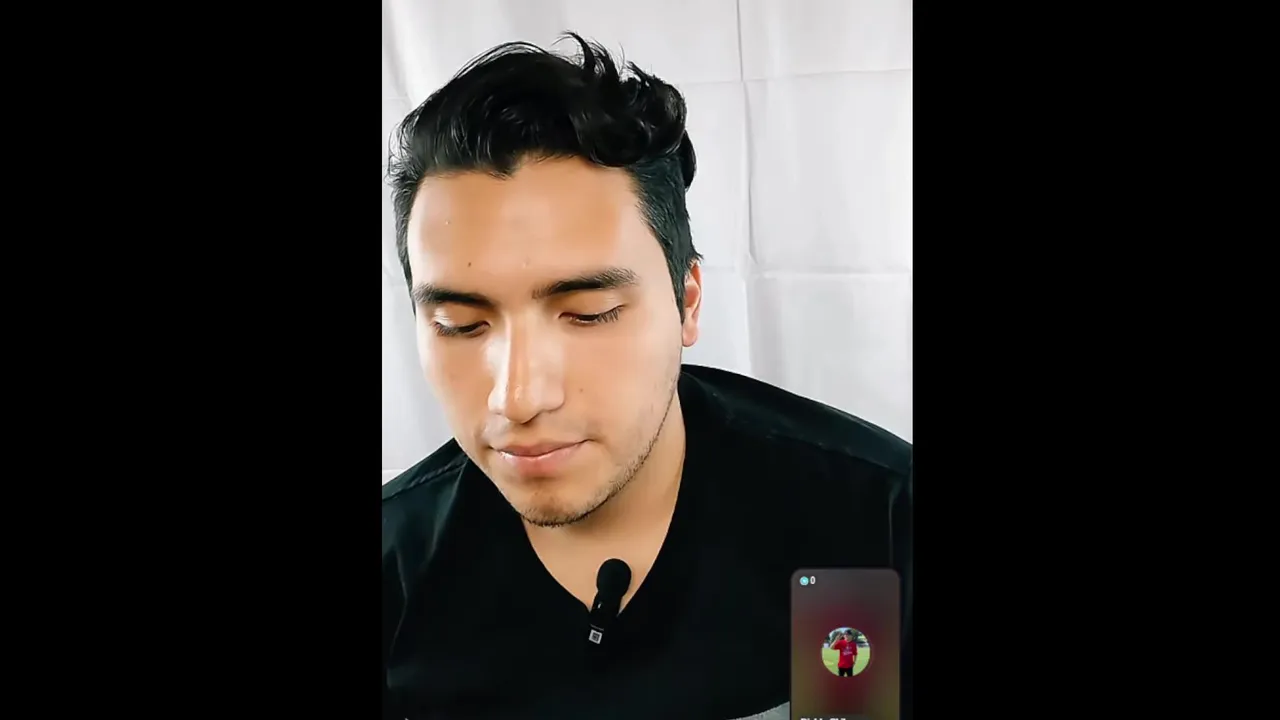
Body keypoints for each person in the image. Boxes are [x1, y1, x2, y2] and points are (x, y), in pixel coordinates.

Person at [381, 32, 913, 720]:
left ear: (687, 301)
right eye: (460, 324)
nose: (518, 397)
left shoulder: (871, 524)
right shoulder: (397, 568)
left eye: (589, 314)